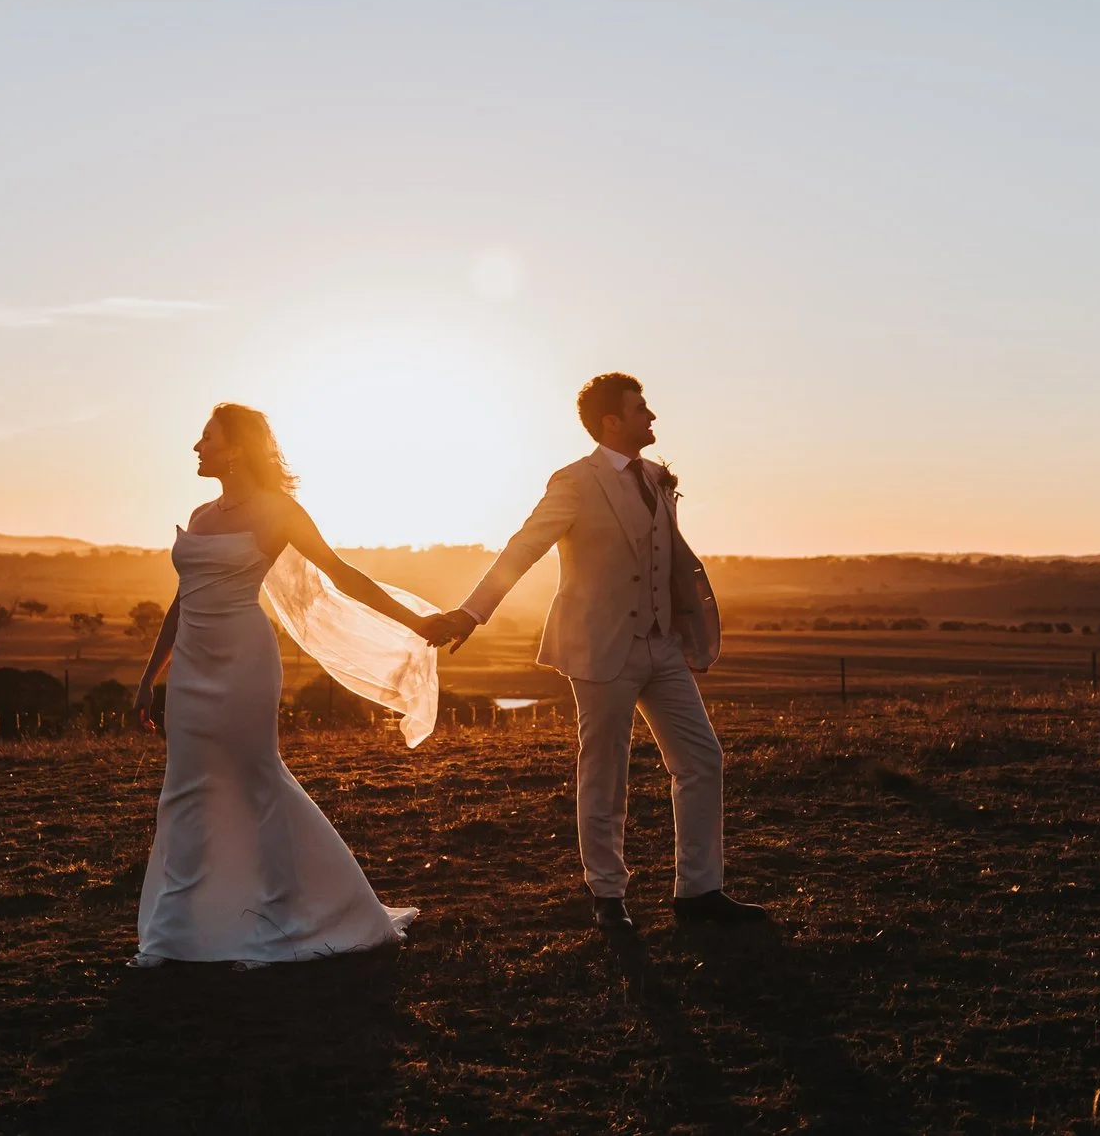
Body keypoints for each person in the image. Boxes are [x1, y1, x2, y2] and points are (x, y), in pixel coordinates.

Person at [425, 373, 768, 930]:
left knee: (702, 760)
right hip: (600, 647)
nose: (652, 417)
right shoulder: (575, 482)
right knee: (605, 772)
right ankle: (608, 897)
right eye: (641, 409)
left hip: (662, 646)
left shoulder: (656, 477)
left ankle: (699, 894)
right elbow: (525, 546)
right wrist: (472, 611)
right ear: (612, 421)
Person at [129, 402, 448, 967]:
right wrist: (150, 676)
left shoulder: (279, 511)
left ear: (236, 447)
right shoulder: (201, 514)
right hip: (191, 672)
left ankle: (286, 910)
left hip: (244, 663)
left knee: (256, 780)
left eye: (207, 437)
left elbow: (340, 574)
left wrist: (415, 621)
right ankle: (179, 929)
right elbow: (181, 601)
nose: (197, 447)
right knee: (185, 787)